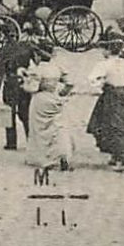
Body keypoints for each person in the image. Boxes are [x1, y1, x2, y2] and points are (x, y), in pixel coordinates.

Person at [86, 38, 124, 172]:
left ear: (108, 50)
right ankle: (118, 154)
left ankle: (121, 159)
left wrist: (103, 82)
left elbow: (92, 79)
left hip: (110, 95)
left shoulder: (104, 64)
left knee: (110, 126)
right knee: (121, 125)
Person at [22, 45, 74, 175]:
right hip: (54, 98)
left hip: (40, 100)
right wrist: (61, 94)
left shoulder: (38, 70)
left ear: (38, 56)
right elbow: (70, 83)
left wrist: (24, 81)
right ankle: (62, 155)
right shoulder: (57, 67)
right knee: (57, 128)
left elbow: (32, 88)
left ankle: (44, 157)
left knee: (39, 129)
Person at [0, 32, 47, 150]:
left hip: (10, 85)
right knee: (25, 113)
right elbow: (44, 57)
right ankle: (30, 140)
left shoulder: (3, 51)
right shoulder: (26, 46)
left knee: (9, 115)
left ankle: (11, 143)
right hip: (23, 83)